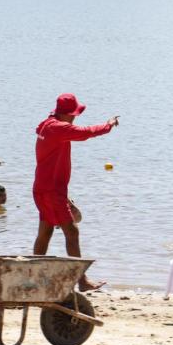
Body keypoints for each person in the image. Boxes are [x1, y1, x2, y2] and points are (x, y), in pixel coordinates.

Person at [32, 93, 119, 292]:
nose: (75, 118)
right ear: (68, 113)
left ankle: (35, 278)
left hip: (42, 187)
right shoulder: (59, 128)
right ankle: (81, 281)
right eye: (74, 114)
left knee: (45, 232)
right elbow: (87, 132)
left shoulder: (46, 125)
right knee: (71, 231)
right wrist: (108, 124)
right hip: (53, 190)